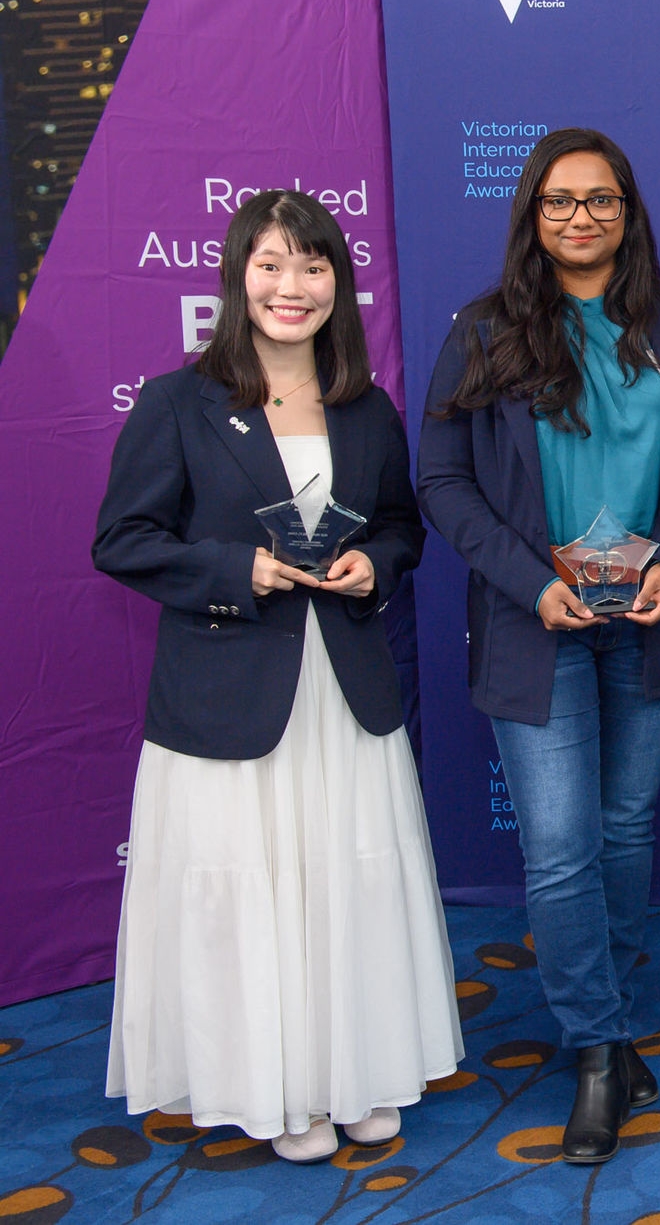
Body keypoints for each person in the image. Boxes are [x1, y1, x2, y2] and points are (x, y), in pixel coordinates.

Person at [93, 190, 461, 1162]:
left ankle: (359, 1074)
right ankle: (283, 1089)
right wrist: (234, 571)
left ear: (338, 283)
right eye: (269, 264)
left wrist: (373, 563)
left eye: (311, 266)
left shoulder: (366, 407)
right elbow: (122, 540)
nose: (290, 286)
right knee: (252, 893)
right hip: (227, 696)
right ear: (236, 277)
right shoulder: (178, 403)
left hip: (344, 696)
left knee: (348, 886)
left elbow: (398, 527)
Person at [416, 128, 660, 1165]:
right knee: (560, 847)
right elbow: (443, 483)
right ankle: (599, 1048)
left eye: (600, 200)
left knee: (626, 829)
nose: (580, 217)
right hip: (534, 621)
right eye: (559, 201)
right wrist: (532, 584)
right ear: (532, 215)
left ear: (629, 214)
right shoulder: (483, 329)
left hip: (649, 617)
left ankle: (608, 1017)